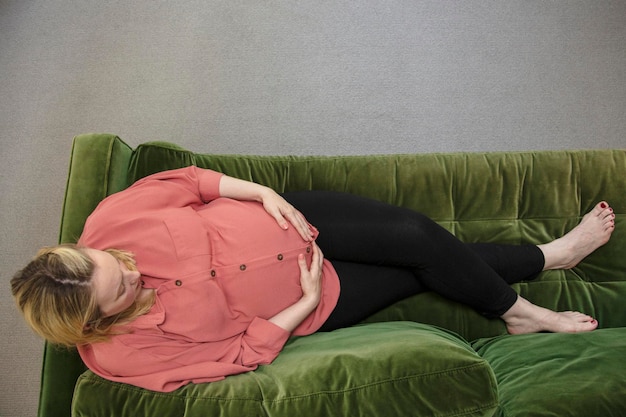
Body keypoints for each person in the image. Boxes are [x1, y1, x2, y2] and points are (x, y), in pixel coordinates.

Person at [11, 166, 615, 392]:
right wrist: (299, 306)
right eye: (125, 289)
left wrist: (263, 194)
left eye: (117, 262)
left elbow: (193, 183)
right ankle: (543, 267)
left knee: (415, 236)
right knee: (415, 275)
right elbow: (238, 354)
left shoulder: (110, 222)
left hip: (292, 220)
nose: (135, 273)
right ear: (97, 321)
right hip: (313, 298)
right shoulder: (122, 356)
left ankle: (528, 291)